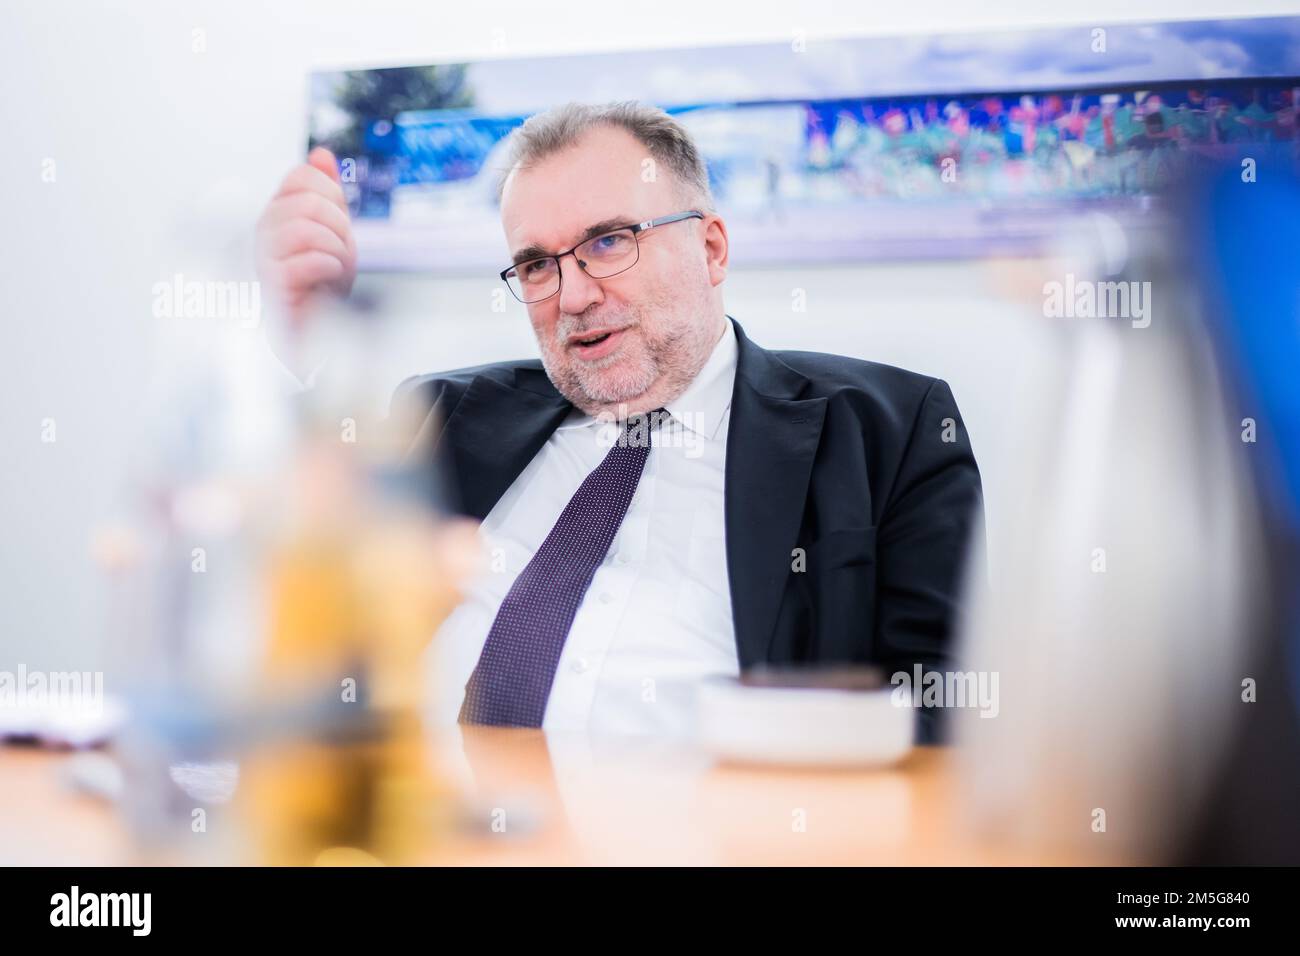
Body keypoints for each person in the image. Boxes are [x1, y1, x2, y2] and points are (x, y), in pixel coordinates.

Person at [255, 101, 984, 740]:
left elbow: (933, 727)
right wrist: (307, 335)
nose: (572, 295)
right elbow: (299, 610)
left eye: (608, 241)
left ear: (711, 248)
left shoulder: (889, 430)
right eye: (537, 264)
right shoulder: (444, 418)